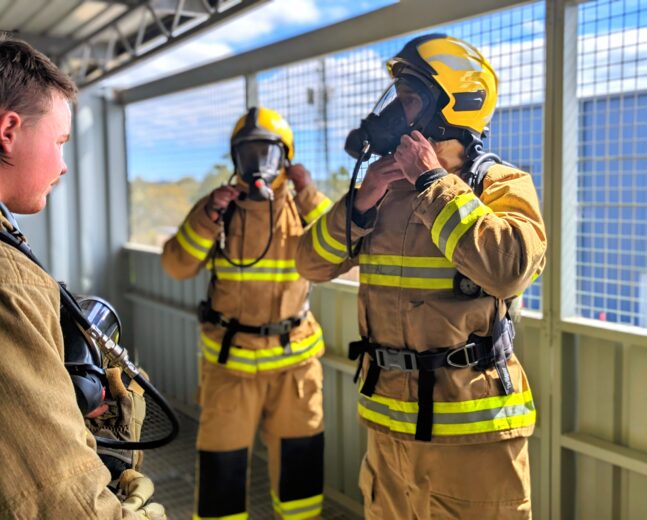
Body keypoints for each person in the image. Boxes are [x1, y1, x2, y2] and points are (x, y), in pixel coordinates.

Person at [296, 34, 547, 519]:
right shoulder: (383, 190)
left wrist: (433, 183)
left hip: (474, 438)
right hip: (388, 429)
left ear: (451, 105)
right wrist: (362, 201)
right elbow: (311, 264)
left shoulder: (501, 185)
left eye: (409, 99)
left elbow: (510, 269)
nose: (395, 112)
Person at [0, 36, 165, 518]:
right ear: (8, 129)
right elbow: (63, 501)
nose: (65, 165)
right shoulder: (10, 282)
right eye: (59, 142)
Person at [161, 107, 333, 520]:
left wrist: (307, 190)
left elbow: (343, 249)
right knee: (222, 475)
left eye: (267, 151)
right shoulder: (219, 208)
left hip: (296, 368)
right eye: (248, 151)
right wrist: (207, 215)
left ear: (285, 157)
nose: (258, 162)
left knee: (300, 479)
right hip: (230, 367)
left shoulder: (302, 207)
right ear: (235, 158)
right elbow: (177, 265)